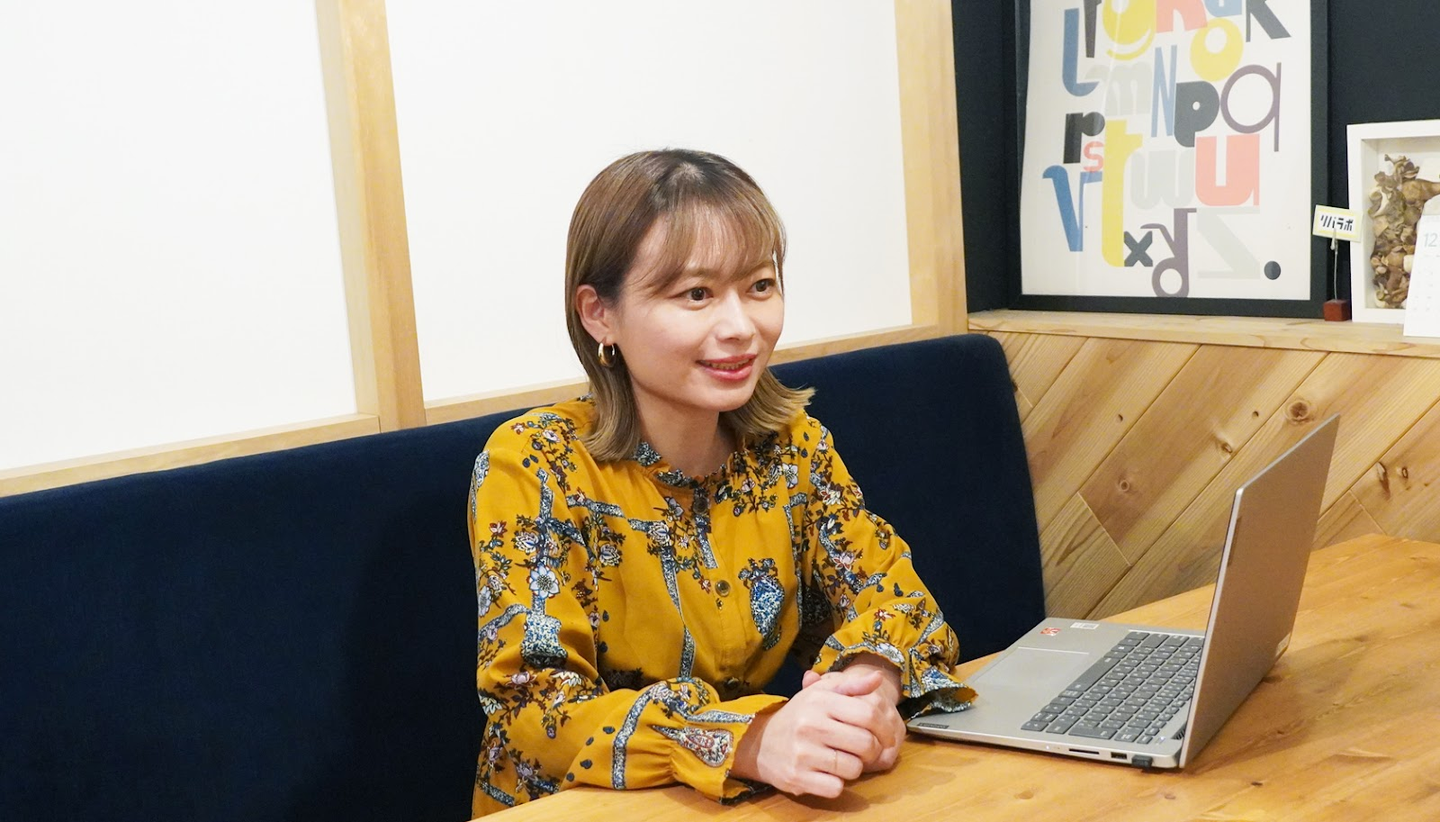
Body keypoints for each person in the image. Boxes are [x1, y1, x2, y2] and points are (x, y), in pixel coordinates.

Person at [467, 148, 973, 816]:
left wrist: (869, 686)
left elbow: (898, 601)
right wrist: (750, 740)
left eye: (759, 286)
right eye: (696, 294)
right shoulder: (535, 463)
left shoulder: (793, 448)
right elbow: (536, 708)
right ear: (599, 314)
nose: (741, 327)